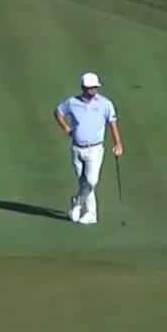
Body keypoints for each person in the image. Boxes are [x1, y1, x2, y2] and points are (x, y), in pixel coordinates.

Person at [52, 72, 123, 225]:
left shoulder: (105, 104)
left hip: (95, 150)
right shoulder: (72, 102)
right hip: (77, 149)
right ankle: (91, 214)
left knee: (91, 181)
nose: (93, 91)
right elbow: (58, 112)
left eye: (95, 88)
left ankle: (76, 202)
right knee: (83, 183)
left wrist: (118, 144)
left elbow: (113, 124)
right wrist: (67, 129)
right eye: (90, 88)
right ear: (83, 88)